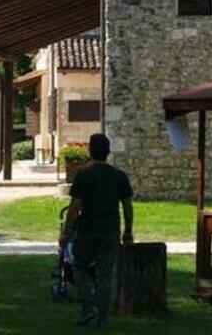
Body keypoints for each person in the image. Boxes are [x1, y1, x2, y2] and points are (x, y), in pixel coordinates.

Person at [59, 133, 134, 328]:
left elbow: (75, 206)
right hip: (110, 232)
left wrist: (67, 231)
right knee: (105, 275)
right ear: (108, 152)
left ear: (90, 151)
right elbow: (127, 205)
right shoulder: (119, 176)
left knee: (80, 268)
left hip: (87, 231)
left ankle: (87, 308)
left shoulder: (83, 175)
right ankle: (103, 318)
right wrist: (128, 231)